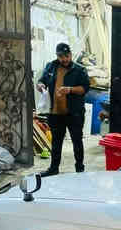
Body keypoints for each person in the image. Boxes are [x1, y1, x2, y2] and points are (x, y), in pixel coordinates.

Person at [37, 43, 90, 177]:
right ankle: (53, 168)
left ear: (70, 55)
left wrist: (70, 90)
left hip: (74, 113)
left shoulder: (79, 70)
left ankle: (80, 169)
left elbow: (85, 88)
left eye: (67, 56)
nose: (65, 59)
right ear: (57, 56)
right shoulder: (51, 66)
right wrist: (40, 85)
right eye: (61, 56)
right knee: (56, 142)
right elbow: (42, 80)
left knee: (77, 141)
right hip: (55, 113)